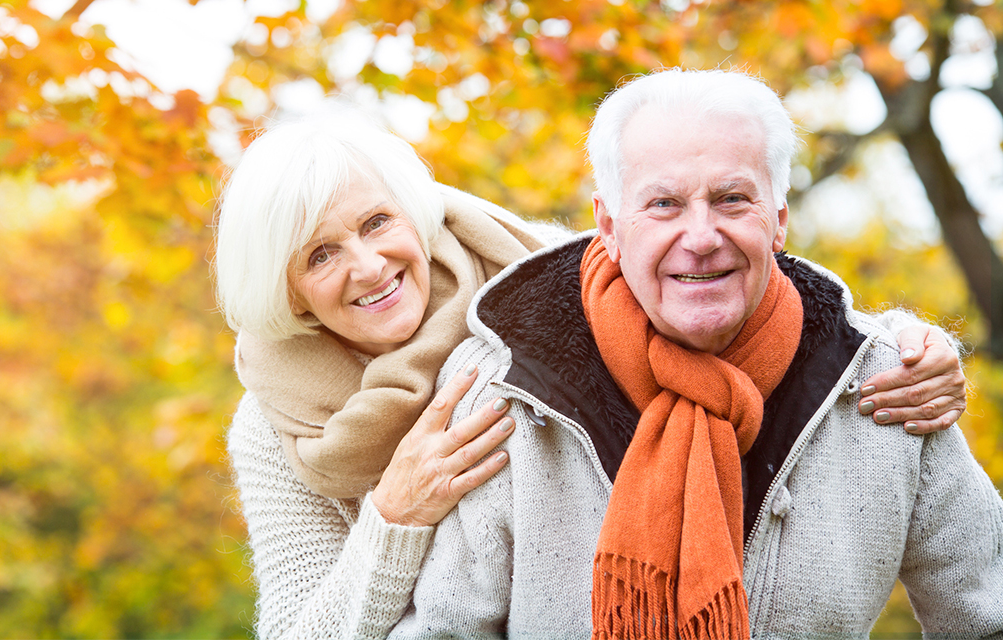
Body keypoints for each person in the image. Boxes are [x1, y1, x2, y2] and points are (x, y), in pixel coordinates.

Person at [215, 109, 967, 639]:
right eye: (320, 255)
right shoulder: (278, 421)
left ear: (414, 212)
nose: (369, 265)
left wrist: (897, 338)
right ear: (285, 291)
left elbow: (702, 265)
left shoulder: (531, 283)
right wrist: (392, 517)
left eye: (376, 223)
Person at [389, 69, 1002, 638]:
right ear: (609, 226)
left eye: (733, 199)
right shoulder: (504, 392)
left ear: (779, 219)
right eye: (664, 204)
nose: (702, 238)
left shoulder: (886, 383)